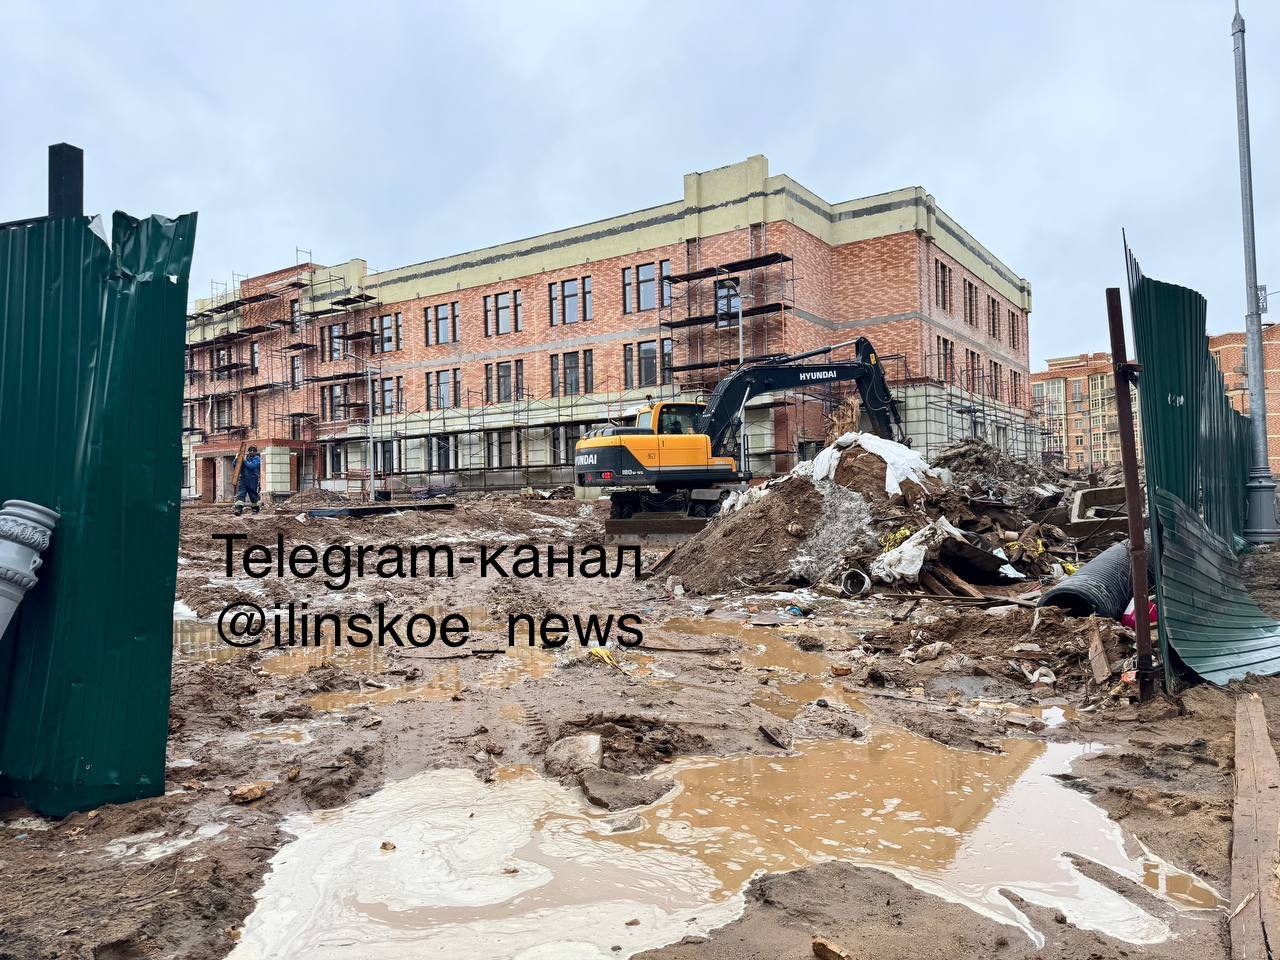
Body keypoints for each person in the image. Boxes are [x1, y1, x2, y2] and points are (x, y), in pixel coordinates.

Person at [234, 445, 262, 516]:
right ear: (248, 451)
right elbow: (235, 465)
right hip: (243, 479)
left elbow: (252, 466)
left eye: (253, 451)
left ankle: (255, 509)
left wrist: (244, 460)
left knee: (253, 495)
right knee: (241, 494)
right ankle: (238, 509)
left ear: (256, 452)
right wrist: (237, 458)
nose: (252, 452)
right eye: (250, 450)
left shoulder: (257, 458)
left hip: (253, 479)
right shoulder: (245, 458)